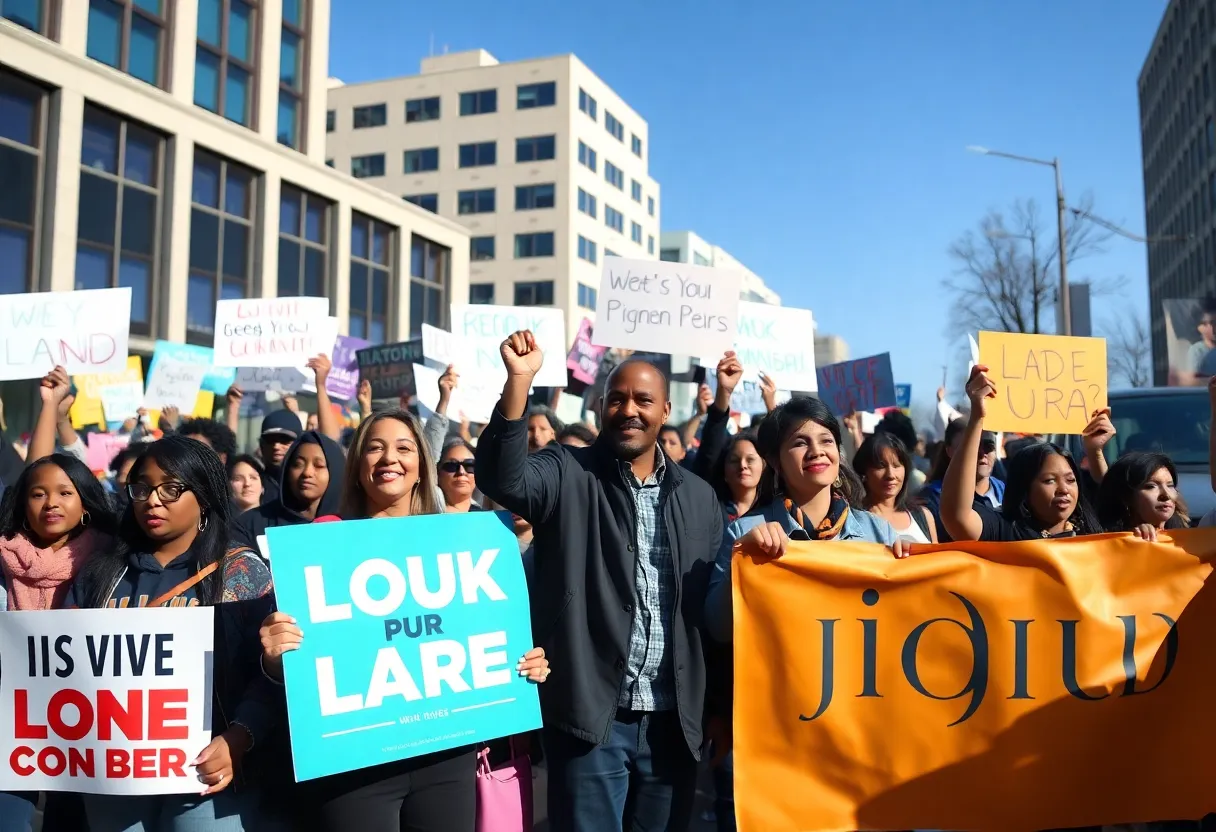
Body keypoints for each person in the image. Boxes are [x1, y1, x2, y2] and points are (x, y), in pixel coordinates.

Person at [475, 330, 723, 831]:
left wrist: (713, 709)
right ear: (599, 407)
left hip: (674, 727)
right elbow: (503, 479)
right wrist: (519, 382)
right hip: (591, 720)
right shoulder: (567, 470)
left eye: (643, 400)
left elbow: (706, 613)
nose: (629, 409)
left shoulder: (699, 497)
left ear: (666, 409)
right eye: (617, 399)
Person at [257, 409, 550, 832]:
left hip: (447, 758)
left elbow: (485, 635)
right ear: (358, 468)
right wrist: (273, 656)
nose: (388, 458)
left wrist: (526, 662)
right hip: (356, 764)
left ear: (420, 469)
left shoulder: (463, 544)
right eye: (374, 448)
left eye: (403, 448)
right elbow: (295, 664)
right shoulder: (322, 540)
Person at [65, 436, 278, 831]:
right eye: (142, 487)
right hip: (114, 778)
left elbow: (269, 675)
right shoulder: (102, 573)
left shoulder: (243, 573)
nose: (152, 499)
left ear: (204, 496)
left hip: (208, 777)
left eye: (171, 488)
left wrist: (239, 737)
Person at [935, 365, 1100, 543]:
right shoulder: (1005, 530)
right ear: (1024, 488)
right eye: (1049, 480)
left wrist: (1095, 452)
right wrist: (977, 417)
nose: (1064, 490)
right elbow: (957, 516)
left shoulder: (1091, 531)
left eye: (1070, 480)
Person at [232, 430, 345, 552]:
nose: (307, 472)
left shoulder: (352, 525)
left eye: (319, 465)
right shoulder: (249, 526)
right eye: (298, 464)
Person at [919, 414, 1004, 542]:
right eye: (972, 446)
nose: (982, 454)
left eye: (988, 446)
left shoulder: (1005, 490)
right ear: (950, 451)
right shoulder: (932, 498)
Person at [854, 432, 938, 544]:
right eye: (881, 466)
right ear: (864, 472)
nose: (891, 475)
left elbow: (937, 558)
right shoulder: (854, 521)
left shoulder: (923, 516)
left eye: (896, 465)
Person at [1096, 452, 1189, 538]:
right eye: (1151, 486)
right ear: (1126, 497)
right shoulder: (1106, 545)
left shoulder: (1186, 542)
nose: (1166, 495)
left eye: (1170, 486)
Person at [708, 432, 769, 522]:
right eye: (734, 460)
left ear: (763, 466)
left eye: (750, 460)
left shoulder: (777, 509)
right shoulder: (710, 511)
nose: (742, 465)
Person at [258, 409, 300, 505]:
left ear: (299, 444)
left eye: (284, 440)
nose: (276, 446)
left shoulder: (309, 483)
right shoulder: (251, 484)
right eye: (270, 440)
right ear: (261, 445)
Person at [437, 438, 482, 512]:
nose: (461, 472)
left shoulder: (487, 519)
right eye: (452, 465)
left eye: (469, 465)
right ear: (438, 473)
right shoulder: (422, 515)